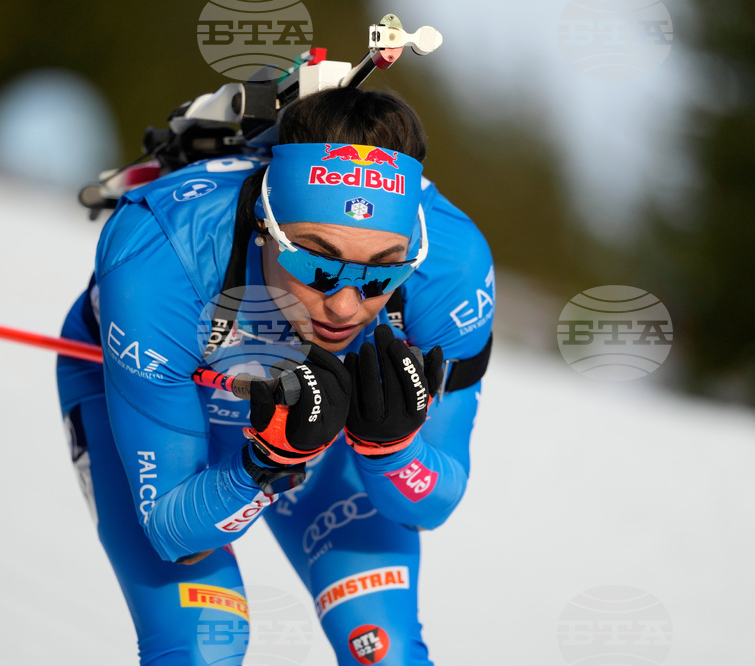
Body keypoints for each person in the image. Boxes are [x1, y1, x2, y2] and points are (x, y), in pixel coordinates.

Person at [56, 86, 494, 665]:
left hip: (318, 416)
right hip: (168, 397)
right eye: (315, 264)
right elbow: (172, 530)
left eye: (381, 274)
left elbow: (430, 505)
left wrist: (391, 449)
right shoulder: (162, 256)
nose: (344, 306)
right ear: (267, 223)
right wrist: (266, 462)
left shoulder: (451, 265)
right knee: (204, 642)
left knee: (382, 651)